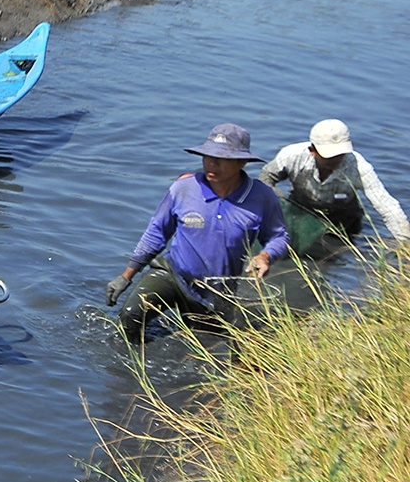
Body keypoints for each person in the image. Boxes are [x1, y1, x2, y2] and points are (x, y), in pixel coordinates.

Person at [105, 123, 289, 340]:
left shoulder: (262, 197)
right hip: (173, 274)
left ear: (242, 162)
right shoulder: (184, 188)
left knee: (210, 346)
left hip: (217, 290)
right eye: (208, 156)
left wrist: (265, 256)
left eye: (222, 159)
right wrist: (126, 276)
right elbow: (156, 233)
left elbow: (279, 236)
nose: (212, 163)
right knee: (130, 317)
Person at [258, 119, 409, 248]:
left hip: (343, 223)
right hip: (301, 214)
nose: (336, 160)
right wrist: (277, 201)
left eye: (340, 154)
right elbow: (266, 177)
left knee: (331, 262)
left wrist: (405, 243)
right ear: (312, 150)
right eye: (329, 156)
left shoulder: (359, 167)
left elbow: (386, 206)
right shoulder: (291, 156)